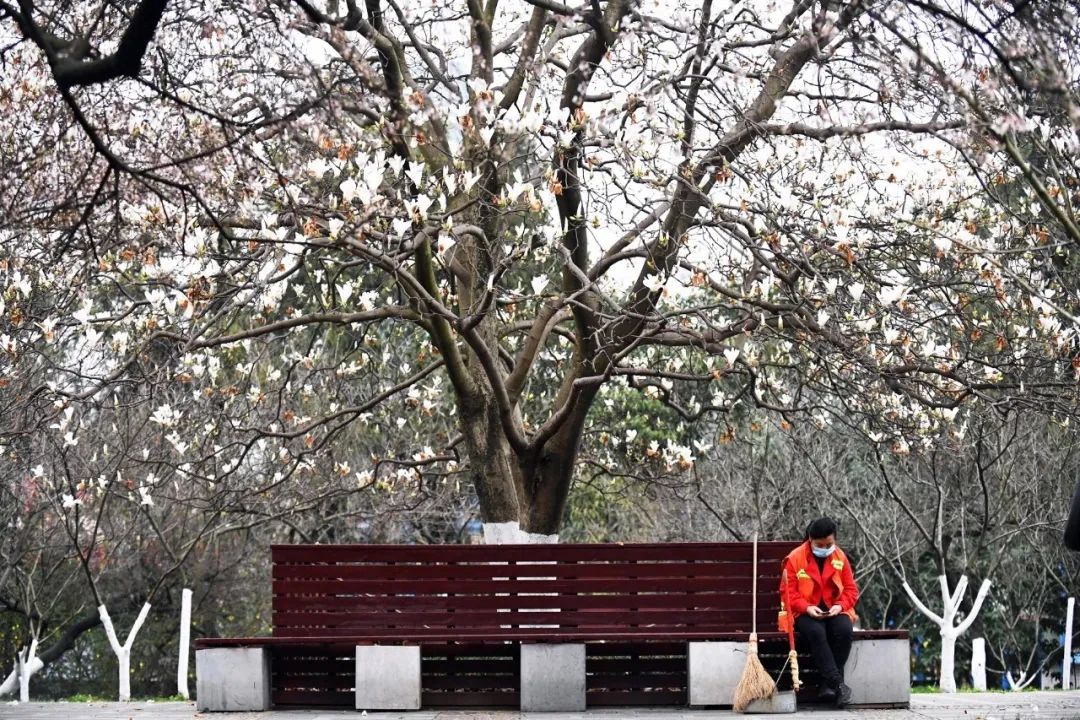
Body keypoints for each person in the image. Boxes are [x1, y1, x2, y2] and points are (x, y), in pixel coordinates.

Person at [777, 517, 859, 707]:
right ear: (809, 540)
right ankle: (838, 685)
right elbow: (788, 593)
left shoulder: (840, 557)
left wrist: (840, 605)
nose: (825, 548)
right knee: (816, 632)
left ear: (835, 540)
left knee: (845, 631)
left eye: (829, 544)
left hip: (835, 609)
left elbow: (851, 589)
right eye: (819, 545)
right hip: (804, 612)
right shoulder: (795, 558)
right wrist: (806, 608)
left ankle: (828, 684)